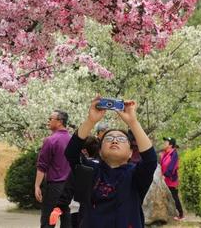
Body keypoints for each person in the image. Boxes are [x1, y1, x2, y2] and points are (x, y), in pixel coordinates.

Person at [59, 96, 157, 228]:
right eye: (109, 138)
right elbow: (71, 152)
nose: (115, 141)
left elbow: (150, 160)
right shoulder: (90, 170)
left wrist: (133, 122)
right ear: (100, 151)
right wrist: (91, 120)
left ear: (130, 153)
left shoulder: (136, 175)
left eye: (121, 139)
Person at [35, 110, 72, 228]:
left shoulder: (50, 140)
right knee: (65, 214)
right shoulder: (72, 140)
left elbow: (42, 166)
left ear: (60, 122)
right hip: (69, 186)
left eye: (50, 119)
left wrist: (37, 186)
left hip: (55, 185)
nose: (48, 121)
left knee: (48, 218)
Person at [160, 137, 184, 221]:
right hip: (165, 179)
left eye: (166, 142)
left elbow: (172, 167)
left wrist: (165, 175)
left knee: (174, 196)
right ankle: (167, 214)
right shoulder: (165, 153)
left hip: (171, 179)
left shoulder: (174, 154)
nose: (164, 143)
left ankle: (181, 214)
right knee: (166, 196)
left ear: (170, 145)